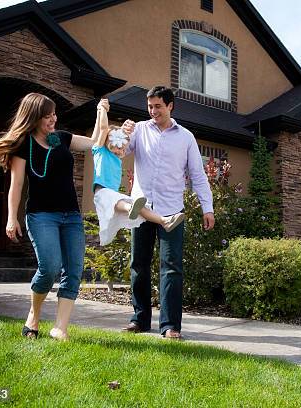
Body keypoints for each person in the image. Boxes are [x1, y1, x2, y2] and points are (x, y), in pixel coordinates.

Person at [0, 92, 96, 341]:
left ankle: (60, 328)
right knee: (50, 266)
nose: (53, 119)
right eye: (47, 116)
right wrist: (12, 218)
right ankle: (34, 315)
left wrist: (103, 114)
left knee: (74, 269)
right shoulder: (24, 145)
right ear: (34, 117)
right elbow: (17, 184)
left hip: (71, 216)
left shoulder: (61, 139)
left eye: (54, 114)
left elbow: (95, 142)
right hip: (41, 215)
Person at [121, 86, 214, 339]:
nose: (153, 111)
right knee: (138, 264)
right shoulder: (139, 130)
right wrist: (121, 133)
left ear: (170, 105)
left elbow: (197, 175)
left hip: (172, 210)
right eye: (150, 106)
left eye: (158, 106)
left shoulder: (186, 137)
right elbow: (118, 150)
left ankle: (170, 325)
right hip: (140, 209)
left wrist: (208, 207)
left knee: (171, 267)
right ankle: (139, 319)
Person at [91, 98, 184, 246]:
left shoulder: (117, 158)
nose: (120, 151)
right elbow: (103, 128)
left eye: (123, 149)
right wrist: (102, 110)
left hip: (114, 196)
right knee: (129, 204)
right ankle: (130, 209)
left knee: (141, 207)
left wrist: (125, 134)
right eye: (117, 147)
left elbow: (122, 142)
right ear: (107, 143)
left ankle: (164, 220)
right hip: (102, 192)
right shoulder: (99, 150)